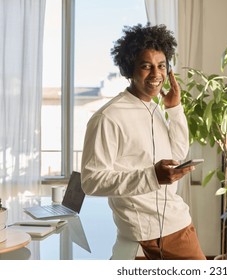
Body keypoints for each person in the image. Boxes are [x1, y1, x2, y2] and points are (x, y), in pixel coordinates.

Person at [80, 23, 206, 260]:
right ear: (130, 69)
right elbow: (90, 181)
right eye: (146, 66)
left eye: (161, 66)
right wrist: (152, 176)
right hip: (155, 230)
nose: (156, 74)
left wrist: (175, 108)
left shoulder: (153, 107)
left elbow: (177, 152)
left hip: (174, 220)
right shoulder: (108, 117)